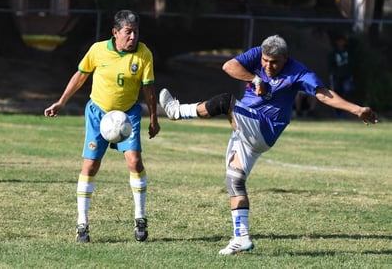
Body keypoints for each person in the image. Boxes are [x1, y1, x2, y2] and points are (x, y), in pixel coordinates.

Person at [159, 35, 378, 255]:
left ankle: (177, 112)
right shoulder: (256, 54)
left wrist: (357, 110)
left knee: (225, 102)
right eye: (265, 60)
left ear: (285, 58)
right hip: (247, 129)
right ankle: (241, 238)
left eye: (274, 62)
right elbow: (229, 66)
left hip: (264, 128)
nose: (268, 66)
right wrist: (256, 79)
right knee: (234, 181)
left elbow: (324, 95)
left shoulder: (299, 72)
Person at [44, 10, 160, 243]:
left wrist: (154, 117)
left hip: (128, 114)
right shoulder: (97, 50)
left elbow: (148, 88)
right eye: (128, 32)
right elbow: (80, 76)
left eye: (135, 32)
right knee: (90, 166)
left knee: (135, 162)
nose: (132, 37)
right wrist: (61, 101)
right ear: (115, 33)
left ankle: (140, 217)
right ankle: (82, 223)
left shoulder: (143, 53)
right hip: (98, 114)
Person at [328, 34, 355, 118]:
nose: (341, 43)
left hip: (347, 76)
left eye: (342, 41)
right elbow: (331, 65)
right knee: (337, 94)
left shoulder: (349, 51)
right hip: (337, 77)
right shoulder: (333, 53)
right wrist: (333, 73)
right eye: (339, 41)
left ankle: (348, 111)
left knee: (347, 91)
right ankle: (339, 114)